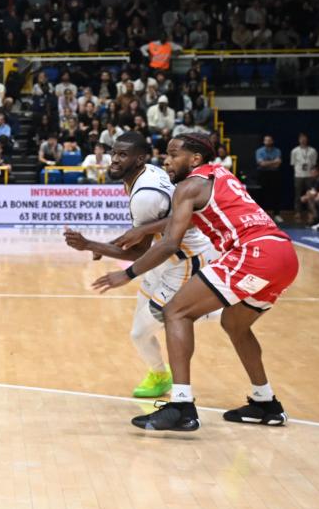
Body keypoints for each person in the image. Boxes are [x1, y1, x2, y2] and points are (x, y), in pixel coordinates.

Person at [93, 133, 299, 431]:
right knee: (234, 325)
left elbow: (167, 245)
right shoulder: (220, 175)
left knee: (175, 311)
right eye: (166, 153)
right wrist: (145, 229)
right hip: (283, 254)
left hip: (253, 253)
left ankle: (181, 406)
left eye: (174, 154)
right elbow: (185, 219)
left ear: (195, 159)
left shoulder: (187, 187)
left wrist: (126, 274)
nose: (167, 159)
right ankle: (265, 402)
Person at [64, 132, 218, 398]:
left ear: (140, 159)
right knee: (138, 334)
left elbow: (139, 252)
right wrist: (109, 242)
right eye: (114, 153)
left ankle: (217, 308)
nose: (113, 160)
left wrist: (91, 244)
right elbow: (146, 232)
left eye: (122, 155)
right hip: (162, 259)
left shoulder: (145, 196)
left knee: (166, 319)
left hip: (185, 261)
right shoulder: (144, 174)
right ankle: (160, 376)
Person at [254, 135, 283, 220]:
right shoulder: (259, 151)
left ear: (272, 141)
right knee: (261, 194)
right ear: (264, 142)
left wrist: (266, 163)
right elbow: (261, 164)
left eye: (269, 140)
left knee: (276, 194)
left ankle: (277, 214)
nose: (268, 142)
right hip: (262, 174)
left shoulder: (277, 151)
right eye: (266, 140)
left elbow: (278, 164)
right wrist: (273, 162)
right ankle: (261, 214)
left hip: (274, 174)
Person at [291, 133, 318, 223]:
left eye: (304, 138)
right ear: (299, 140)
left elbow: (314, 164)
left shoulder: (312, 151)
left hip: (309, 176)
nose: (303, 140)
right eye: (301, 138)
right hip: (298, 175)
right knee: (297, 195)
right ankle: (298, 212)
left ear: (307, 139)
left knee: (310, 195)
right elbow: (293, 163)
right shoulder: (295, 151)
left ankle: (310, 212)